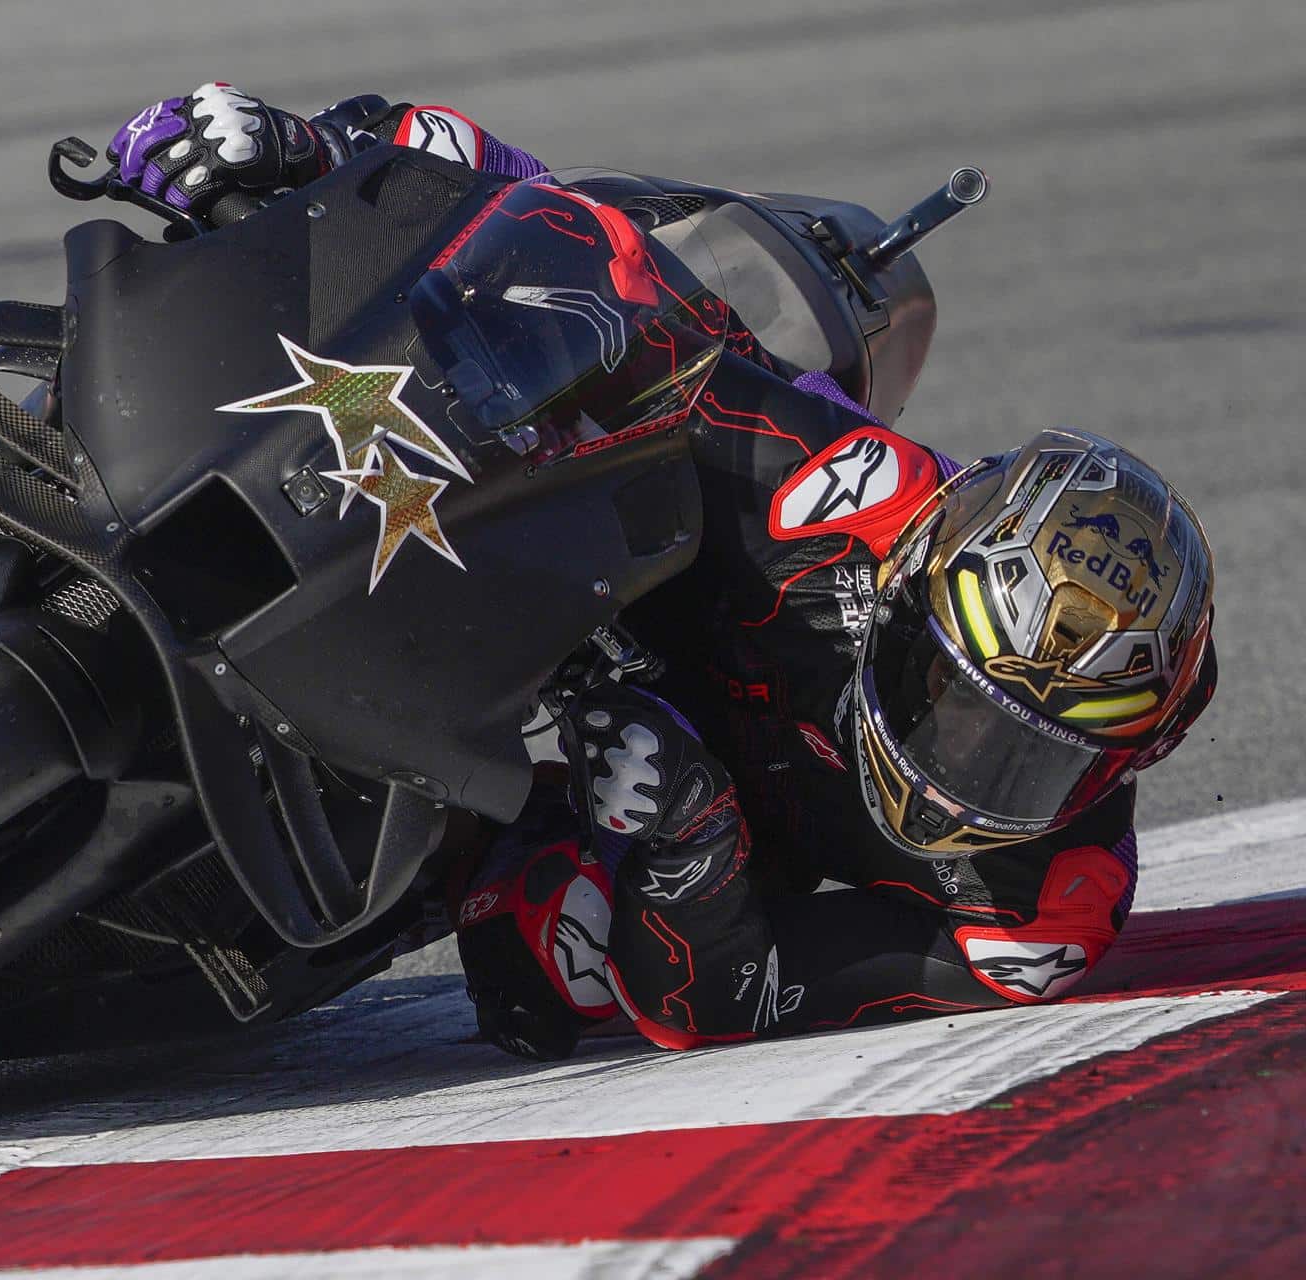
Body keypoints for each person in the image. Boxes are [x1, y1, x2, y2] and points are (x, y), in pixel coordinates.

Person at [107, 85, 1219, 1058]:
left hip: (708, 814)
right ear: (914, 579)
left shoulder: (1045, 917)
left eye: (1030, 764)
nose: (961, 775)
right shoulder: (837, 493)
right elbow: (610, 269)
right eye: (950, 706)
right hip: (595, 575)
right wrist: (315, 149)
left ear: (1137, 751)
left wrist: (689, 835)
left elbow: (742, 998)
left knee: (550, 967)